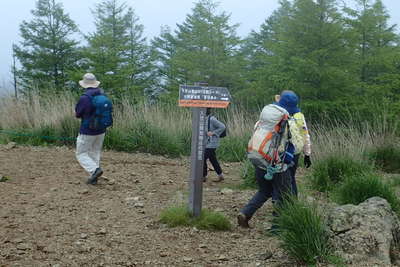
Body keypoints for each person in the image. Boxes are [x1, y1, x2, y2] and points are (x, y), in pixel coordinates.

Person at [237, 92, 297, 229]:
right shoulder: (287, 123)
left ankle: (245, 213)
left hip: (260, 161)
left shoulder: (262, 121)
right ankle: (277, 227)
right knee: (282, 196)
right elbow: (292, 145)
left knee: (264, 191)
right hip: (278, 166)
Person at [274, 91, 312, 196]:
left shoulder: (277, 115)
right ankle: (293, 204)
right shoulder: (300, 116)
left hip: (281, 152)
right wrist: (307, 154)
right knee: (291, 177)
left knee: (280, 179)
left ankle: (280, 205)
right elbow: (305, 136)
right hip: (295, 152)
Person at [75, 73, 107, 185]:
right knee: (95, 152)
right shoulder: (102, 95)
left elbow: (78, 114)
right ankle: (94, 177)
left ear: (85, 84)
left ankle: (94, 171)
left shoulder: (84, 98)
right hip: (101, 129)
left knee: (81, 153)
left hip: (87, 130)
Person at [203, 108, 226, 182]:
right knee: (213, 159)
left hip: (212, 143)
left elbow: (222, 126)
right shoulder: (203, 119)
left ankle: (204, 176)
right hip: (207, 143)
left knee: (203, 158)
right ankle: (220, 175)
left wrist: (213, 133)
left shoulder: (212, 119)